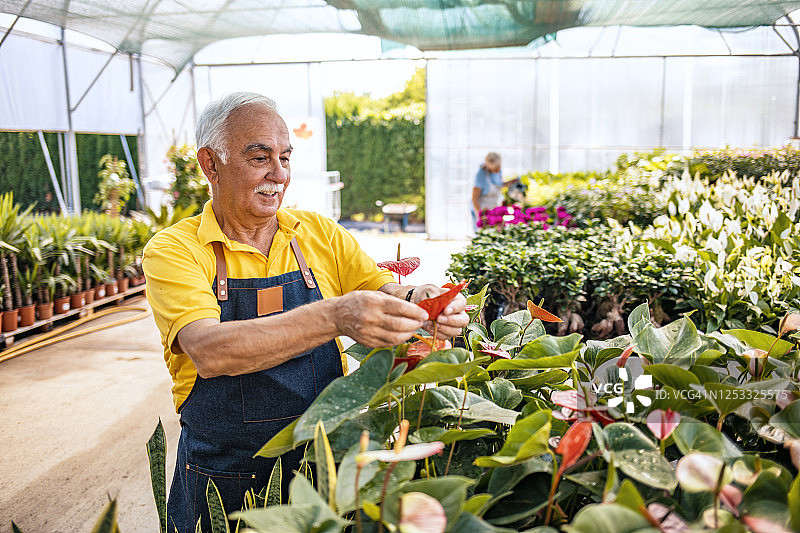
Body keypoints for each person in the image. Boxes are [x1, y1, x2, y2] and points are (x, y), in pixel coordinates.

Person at [142, 92, 467, 533]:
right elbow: (210, 351)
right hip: (224, 479)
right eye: (260, 158)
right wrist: (335, 316)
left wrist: (422, 300)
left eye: (285, 158)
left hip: (324, 468)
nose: (279, 174)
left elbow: (385, 289)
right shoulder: (175, 250)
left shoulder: (319, 233)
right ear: (210, 164)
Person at [470, 152, 518, 227]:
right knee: (483, 231)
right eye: (495, 168)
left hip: (493, 207)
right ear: (488, 166)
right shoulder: (481, 174)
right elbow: (474, 198)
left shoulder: (498, 171)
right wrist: (480, 216)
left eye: (499, 166)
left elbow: (499, 184)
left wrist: (510, 182)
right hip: (482, 208)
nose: (497, 170)